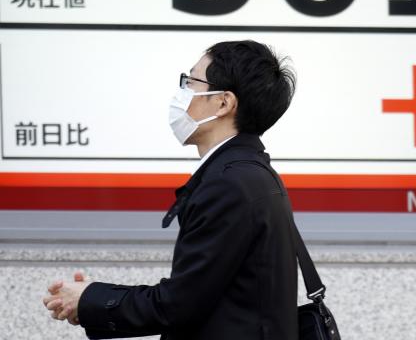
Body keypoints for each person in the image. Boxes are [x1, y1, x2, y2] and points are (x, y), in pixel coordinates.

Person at [42, 40, 299, 340]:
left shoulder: (228, 185)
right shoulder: (252, 174)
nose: (183, 93)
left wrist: (89, 300)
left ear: (224, 103)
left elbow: (178, 305)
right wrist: (89, 299)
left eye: (191, 81)